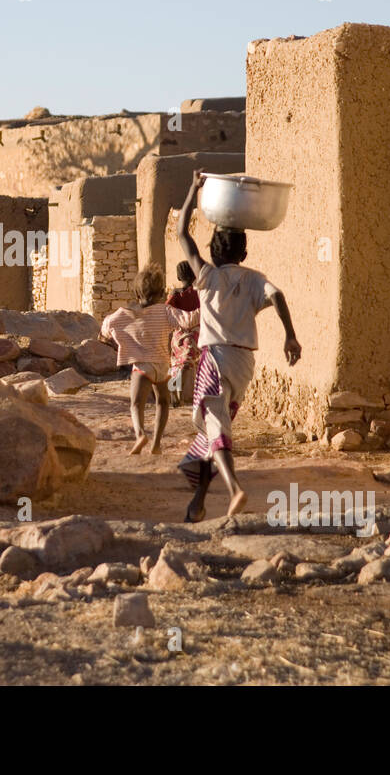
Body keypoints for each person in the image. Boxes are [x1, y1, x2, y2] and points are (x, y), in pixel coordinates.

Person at [177, 170, 301, 522]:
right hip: (243, 364)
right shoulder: (254, 279)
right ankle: (198, 502)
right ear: (244, 251)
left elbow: (182, 233)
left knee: (213, 427)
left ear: (213, 252)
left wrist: (193, 189)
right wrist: (290, 335)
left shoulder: (207, 276)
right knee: (212, 431)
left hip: (214, 359)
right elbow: (277, 296)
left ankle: (235, 489)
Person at [101, 265, 198, 456]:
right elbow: (188, 320)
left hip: (141, 367)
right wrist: (210, 306)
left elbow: (106, 326)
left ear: (137, 293)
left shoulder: (123, 314)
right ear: (161, 292)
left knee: (136, 404)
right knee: (162, 402)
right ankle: (156, 444)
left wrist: (104, 335)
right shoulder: (165, 311)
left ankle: (140, 434)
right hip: (162, 366)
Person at [166, 260, 200, 406]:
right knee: (192, 363)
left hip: (179, 335)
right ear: (195, 276)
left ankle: (174, 395)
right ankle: (191, 395)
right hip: (195, 336)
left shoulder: (176, 296)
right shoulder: (200, 294)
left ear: (179, 278)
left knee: (175, 363)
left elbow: (166, 310)